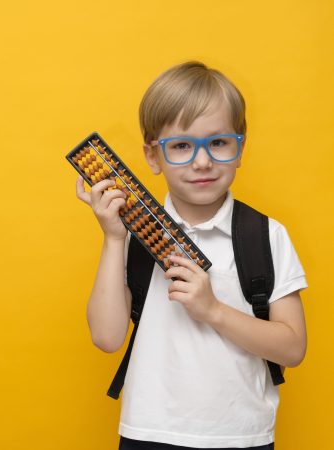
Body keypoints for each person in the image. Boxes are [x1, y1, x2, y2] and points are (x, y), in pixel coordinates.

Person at [76, 61, 308, 450]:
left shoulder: (266, 236)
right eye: (181, 146)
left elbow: (292, 348)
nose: (202, 162)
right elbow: (106, 336)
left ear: (240, 148)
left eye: (218, 142)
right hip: (149, 432)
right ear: (153, 157)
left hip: (243, 435)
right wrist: (114, 238)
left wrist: (212, 310)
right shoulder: (136, 237)